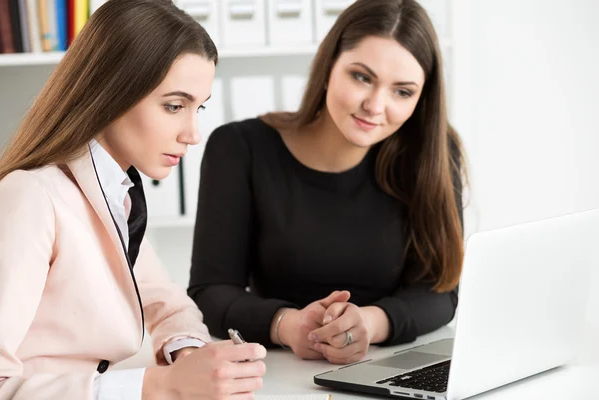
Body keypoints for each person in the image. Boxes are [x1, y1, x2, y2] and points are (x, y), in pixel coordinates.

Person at [0, 0, 266, 399]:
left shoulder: (116, 195)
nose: (192, 133)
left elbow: (170, 306)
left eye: (199, 108)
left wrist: (188, 355)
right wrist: (156, 386)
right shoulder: (33, 197)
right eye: (175, 106)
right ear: (111, 92)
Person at [188, 0, 467, 366]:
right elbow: (211, 292)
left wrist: (371, 323)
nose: (375, 105)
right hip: (278, 371)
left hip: (392, 365)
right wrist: (287, 325)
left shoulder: (433, 153)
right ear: (329, 64)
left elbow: (441, 290)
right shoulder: (240, 148)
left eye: (403, 91)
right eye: (362, 77)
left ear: (421, 98)